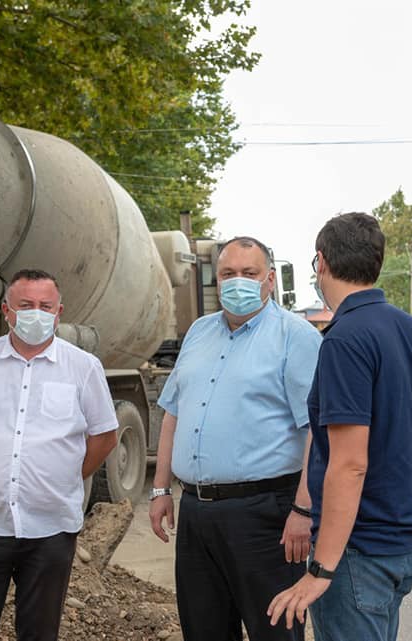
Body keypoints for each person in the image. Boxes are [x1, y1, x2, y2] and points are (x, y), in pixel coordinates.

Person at [267, 213, 412, 641]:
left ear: (319, 262)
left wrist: (321, 569)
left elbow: (348, 464)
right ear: (377, 262)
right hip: (399, 544)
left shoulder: (344, 339)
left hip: (358, 554)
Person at [0, 269, 118, 641]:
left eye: (45, 306)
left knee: (39, 634)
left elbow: (105, 436)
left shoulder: (83, 368)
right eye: (26, 305)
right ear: (6, 311)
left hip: (50, 530)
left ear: (59, 311)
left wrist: (65, 477)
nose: (36, 314)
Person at [149, 236, 322, 641]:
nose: (237, 282)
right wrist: (160, 490)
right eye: (228, 274)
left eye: (249, 273)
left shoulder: (295, 337)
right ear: (215, 279)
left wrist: (303, 510)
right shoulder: (198, 332)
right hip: (196, 514)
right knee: (203, 629)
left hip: (266, 516)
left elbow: (319, 431)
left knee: (274, 631)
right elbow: (174, 411)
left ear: (270, 280)